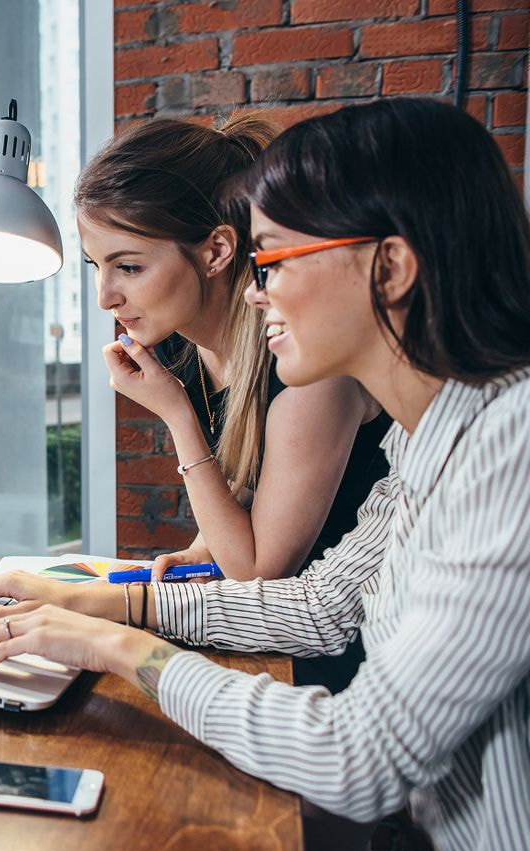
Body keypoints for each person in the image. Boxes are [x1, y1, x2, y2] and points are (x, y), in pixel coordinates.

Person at [0, 97, 530, 851]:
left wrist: (121, 647)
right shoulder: (426, 441)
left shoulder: (510, 447)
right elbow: (320, 604)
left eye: (278, 259)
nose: (259, 292)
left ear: (388, 268)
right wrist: (107, 604)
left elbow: (357, 758)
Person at [74, 113, 389, 694]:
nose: (105, 296)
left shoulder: (310, 367)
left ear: (217, 250)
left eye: (129, 266)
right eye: (97, 266)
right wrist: (200, 553)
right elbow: (246, 497)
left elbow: (258, 571)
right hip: (265, 638)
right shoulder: (181, 345)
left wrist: (176, 416)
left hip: (336, 665)